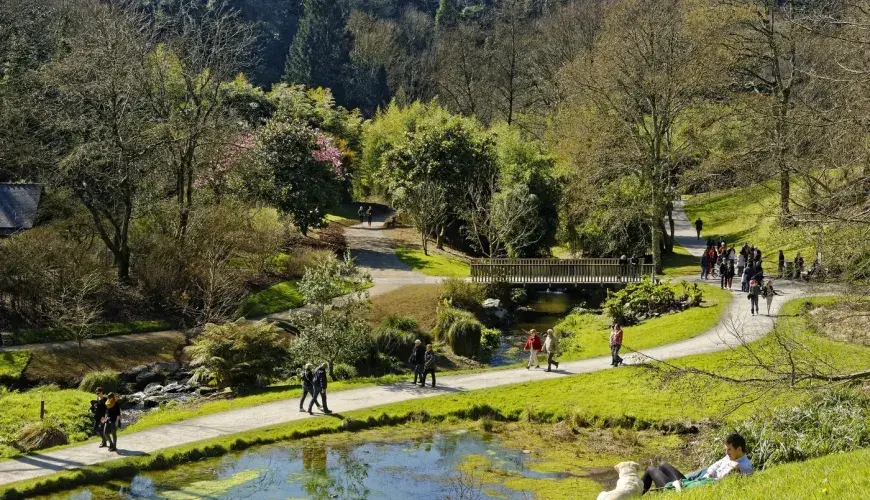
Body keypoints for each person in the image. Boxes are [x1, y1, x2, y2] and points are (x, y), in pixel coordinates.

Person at [641, 433, 753, 494]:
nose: (726, 453)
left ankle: (636, 494)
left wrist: (712, 477)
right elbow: (716, 464)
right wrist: (709, 473)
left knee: (651, 469)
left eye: (729, 449)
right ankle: (657, 492)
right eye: (726, 449)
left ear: (739, 449)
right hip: (694, 482)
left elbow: (726, 482)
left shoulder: (744, 467)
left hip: (687, 488)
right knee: (662, 465)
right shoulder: (731, 456)